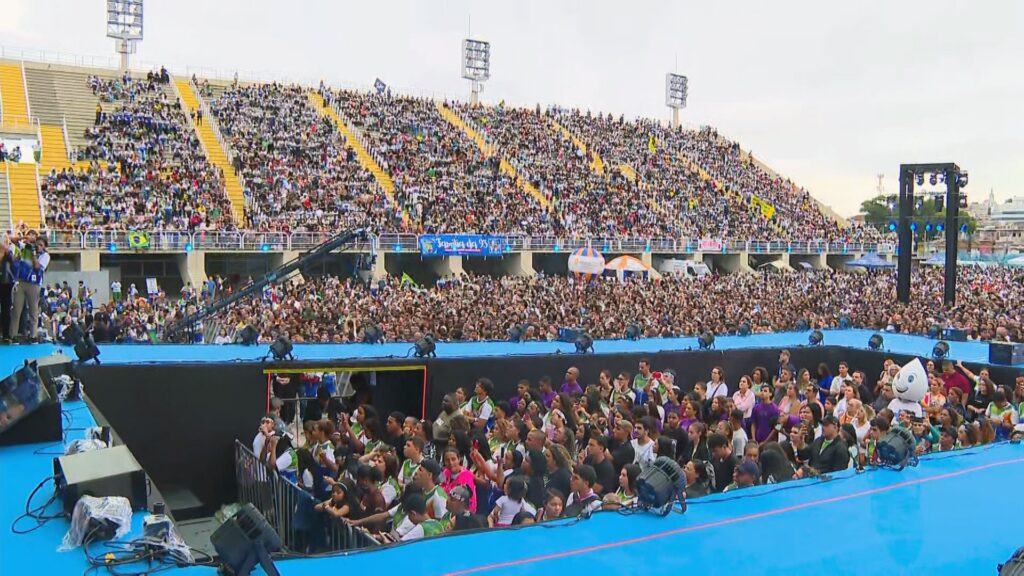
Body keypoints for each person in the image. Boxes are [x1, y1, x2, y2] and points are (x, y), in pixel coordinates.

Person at [9, 235, 48, 342]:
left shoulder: (45, 256)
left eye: (41, 245)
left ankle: (33, 335)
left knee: (33, 311)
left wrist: (34, 253)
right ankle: (13, 335)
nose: (38, 246)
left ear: (44, 247)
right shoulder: (27, 247)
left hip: (34, 285)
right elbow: (12, 240)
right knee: (16, 309)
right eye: (37, 244)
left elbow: (37, 266)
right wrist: (24, 237)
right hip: (21, 282)